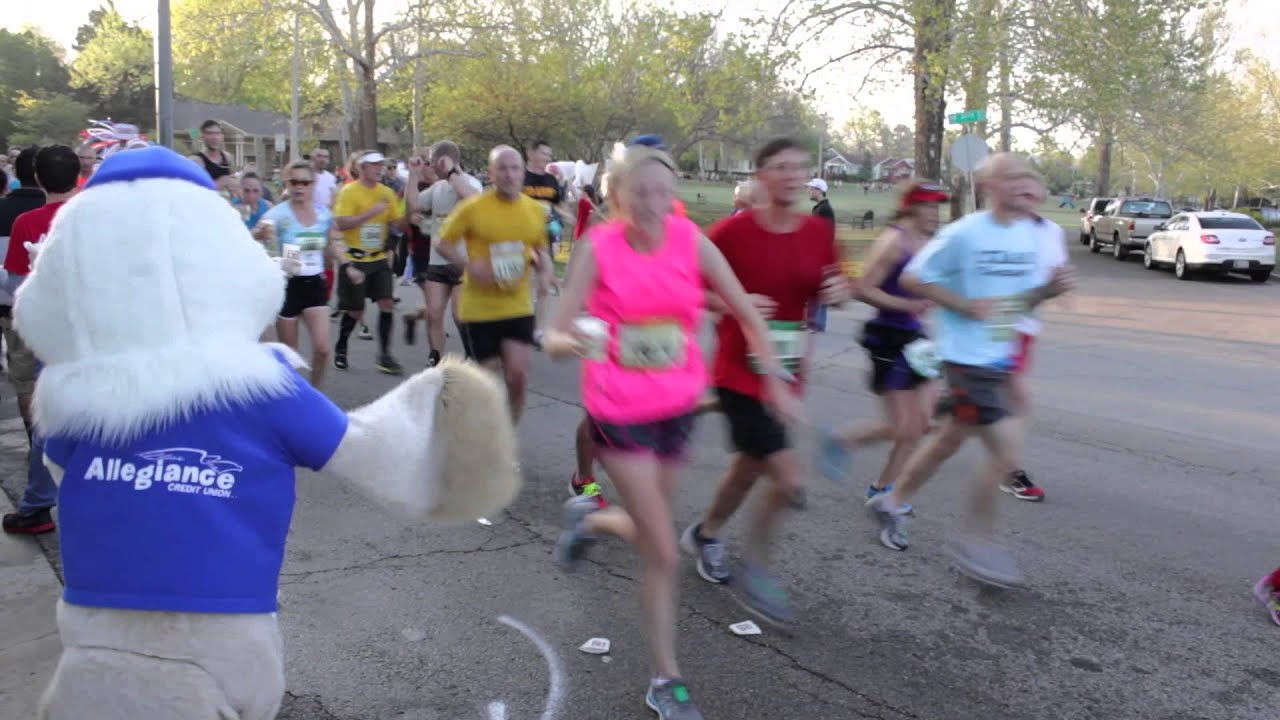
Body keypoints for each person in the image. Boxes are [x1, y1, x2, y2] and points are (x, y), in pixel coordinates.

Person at [545, 144, 800, 720]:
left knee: (646, 528)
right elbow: (555, 335)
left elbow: (745, 308)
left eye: (666, 193)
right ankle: (666, 679)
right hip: (618, 412)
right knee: (662, 549)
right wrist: (588, 340)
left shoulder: (690, 240)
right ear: (617, 197)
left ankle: (592, 518)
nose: (657, 205)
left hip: (676, 409)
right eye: (643, 194)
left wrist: (775, 376)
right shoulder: (597, 247)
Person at [866, 153, 1075, 588]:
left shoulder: (1025, 236)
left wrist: (1046, 291)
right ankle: (976, 542)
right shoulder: (964, 233)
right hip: (964, 361)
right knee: (1004, 455)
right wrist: (962, 306)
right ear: (988, 186)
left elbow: (1008, 306)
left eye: (1026, 177)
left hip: (997, 356)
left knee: (947, 441)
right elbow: (913, 279)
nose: (1022, 185)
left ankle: (892, 500)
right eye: (1010, 178)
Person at [680, 137, 851, 624]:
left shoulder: (819, 231)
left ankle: (706, 534)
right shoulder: (734, 233)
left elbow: (831, 286)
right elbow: (685, 283)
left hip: (787, 370)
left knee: (751, 466)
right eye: (781, 167)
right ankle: (758, 569)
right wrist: (731, 303)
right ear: (760, 176)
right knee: (787, 473)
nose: (793, 175)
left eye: (800, 167)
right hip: (738, 369)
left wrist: (839, 292)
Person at [818, 180, 949, 508]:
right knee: (905, 427)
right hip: (888, 339)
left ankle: (879, 480)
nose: (935, 213)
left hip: (918, 338)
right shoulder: (894, 240)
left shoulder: (927, 240)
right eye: (928, 206)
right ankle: (868, 472)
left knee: (922, 424)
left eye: (938, 206)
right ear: (910, 207)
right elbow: (862, 288)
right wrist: (907, 305)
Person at [436, 146, 551, 424]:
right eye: (502, 168)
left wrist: (545, 271)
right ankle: (467, 425)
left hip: (518, 305)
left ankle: (507, 437)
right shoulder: (473, 208)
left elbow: (540, 250)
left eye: (515, 168)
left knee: (518, 375)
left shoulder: (534, 210)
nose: (510, 175)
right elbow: (441, 243)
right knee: (485, 381)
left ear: (523, 173)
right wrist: (469, 267)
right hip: (480, 308)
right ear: (491, 174)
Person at [0, 145, 79, 535]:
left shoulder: (28, 224)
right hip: (100, 333)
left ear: (38, 179)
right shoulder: (94, 219)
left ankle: (36, 507)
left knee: (48, 422)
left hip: (52, 339)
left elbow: (16, 287)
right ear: (78, 176)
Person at [253, 160, 344, 387]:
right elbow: (256, 234)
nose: (299, 187)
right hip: (288, 286)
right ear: (287, 184)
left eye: (305, 182)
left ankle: (315, 394)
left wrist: (347, 263)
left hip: (314, 284)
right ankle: (293, 397)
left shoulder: (324, 215)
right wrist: (259, 234)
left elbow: (331, 244)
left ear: (313, 185)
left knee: (323, 349)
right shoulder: (278, 214)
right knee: (290, 357)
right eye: (294, 182)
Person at [1002, 174, 1062, 502]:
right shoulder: (998, 228)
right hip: (997, 325)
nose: (1027, 193)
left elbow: (1053, 275)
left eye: (1033, 187)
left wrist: (1058, 287)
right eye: (1019, 186)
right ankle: (1010, 471)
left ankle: (947, 406)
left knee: (993, 403)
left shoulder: (1051, 231)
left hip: (1027, 327)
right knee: (1018, 401)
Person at [332, 150, 418, 374]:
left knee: (387, 304)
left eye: (381, 164)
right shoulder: (349, 192)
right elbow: (341, 223)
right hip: (355, 259)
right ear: (361, 168)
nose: (379, 168)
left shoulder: (387, 193)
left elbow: (397, 226)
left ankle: (385, 355)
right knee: (354, 310)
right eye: (373, 165)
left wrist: (409, 215)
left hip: (379, 258)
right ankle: (341, 348)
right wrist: (370, 213)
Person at [407, 141, 481, 367]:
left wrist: (452, 172)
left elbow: (472, 200)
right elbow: (414, 204)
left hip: (463, 261)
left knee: (460, 316)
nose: (430, 166)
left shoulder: (470, 182)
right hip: (437, 262)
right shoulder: (437, 188)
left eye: (432, 161)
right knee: (434, 314)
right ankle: (436, 358)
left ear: (442, 161)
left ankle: (472, 356)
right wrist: (413, 176)